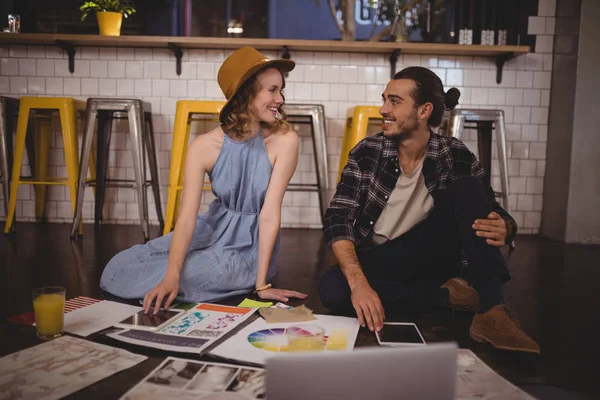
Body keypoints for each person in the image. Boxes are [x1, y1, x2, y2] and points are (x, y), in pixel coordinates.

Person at [319, 66, 540, 354]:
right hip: (382, 258)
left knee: (468, 187)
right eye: (384, 99)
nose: (383, 109)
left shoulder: (454, 153)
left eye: (394, 102)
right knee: (333, 288)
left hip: (432, 254)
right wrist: (359, 283)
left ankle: (491, 308)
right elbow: (339, 217)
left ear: (424, 111)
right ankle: (446, 298)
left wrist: (506, 226)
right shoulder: (368, 152)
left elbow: (488, 207)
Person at [100, 46, 307, 314]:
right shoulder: (203, 145)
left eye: (281, 90)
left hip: (249, 245)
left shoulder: (285, 141)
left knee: (193, 274)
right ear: (246, 94)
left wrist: (262, 284)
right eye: (271, 90)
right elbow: (186, 218)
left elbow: (269, 214)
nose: (279, 99)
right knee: (121, 266)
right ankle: (170, 279)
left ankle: (192, 277)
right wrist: (170, 276)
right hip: (211, 228)